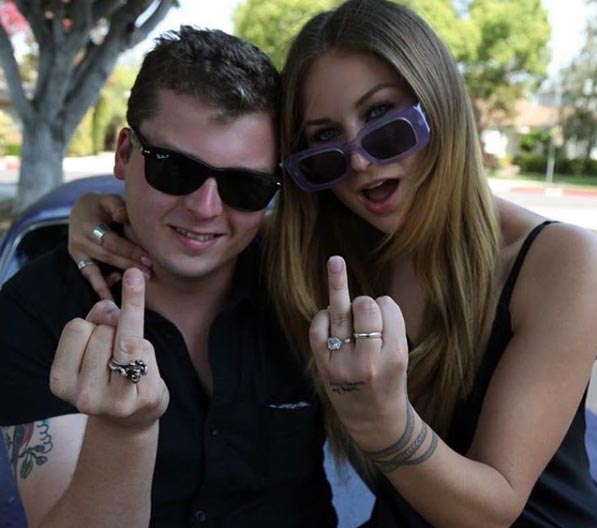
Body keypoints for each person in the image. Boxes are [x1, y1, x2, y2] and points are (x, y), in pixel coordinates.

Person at [68, 1, 597, 526]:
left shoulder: (562, 262)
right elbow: (214, 220)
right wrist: (98, 214)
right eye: (324, 139)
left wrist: (384, 425)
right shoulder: (324, 255)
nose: (361, 159)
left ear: (440, 105)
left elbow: (494, 509)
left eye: (382, 118)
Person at [0, 27, 338, 528]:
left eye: (244, 185)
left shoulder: (308, 282)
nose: (205, 208)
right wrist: (123, 436)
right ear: (123, 155)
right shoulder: (35, 310)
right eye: (176, 170)